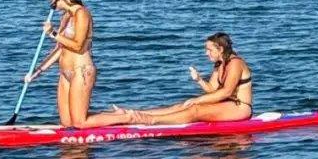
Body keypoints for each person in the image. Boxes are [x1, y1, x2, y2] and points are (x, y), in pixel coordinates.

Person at [87, 32, 255, 126]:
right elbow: (212, 89)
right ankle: (135, 114)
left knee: (194, 109)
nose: (206, 53)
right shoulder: (220, 64)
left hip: (240, 108)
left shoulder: (235, 63)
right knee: (180, 105)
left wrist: (197, 100)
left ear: (220, 49)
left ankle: (151, 120)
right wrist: (198, 80)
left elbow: (225, 92)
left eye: (209, 50)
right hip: (226, 104)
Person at [26, 0, 98, 127]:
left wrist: (52, 33)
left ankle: (129, 117)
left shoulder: (81, 13)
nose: (51, 4)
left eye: (52, 0)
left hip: (81, 70)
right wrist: (37, 72)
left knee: (79, 122)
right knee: (67, 123)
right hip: (65, 73)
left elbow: (78, 45)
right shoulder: (65, 16)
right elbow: (59, 49)